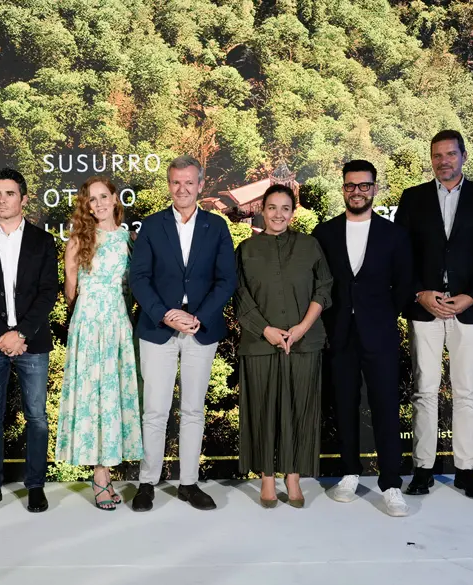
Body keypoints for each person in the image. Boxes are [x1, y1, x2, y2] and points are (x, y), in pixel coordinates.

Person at [394, 130, 473, 499]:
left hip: (467, 309)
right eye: (437, 155)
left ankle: (465, 470)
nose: (444, 161)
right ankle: (423, 469)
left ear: (464, 156)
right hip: (424, 308)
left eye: (450, 154)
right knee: (424, 389)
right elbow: (401, 255)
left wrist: (471, 297)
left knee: (467, 390)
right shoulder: (412, 197)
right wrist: (419, 293)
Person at [129, 155, 237, 511]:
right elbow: (139, 279)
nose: (182, 189)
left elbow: (227, 280)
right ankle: (147, 482)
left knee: (193, 410)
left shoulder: (216, 226)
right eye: (176, 182)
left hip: (200, 329)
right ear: (169, 184)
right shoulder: (151, 225)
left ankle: (189, 483)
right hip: (158, 328)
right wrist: (165, 315)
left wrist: (197, 318)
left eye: (189, 182)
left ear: (201, 184)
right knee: (154, 410)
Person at [313, 160, 413, 517]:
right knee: (344, 405)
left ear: (374, 189)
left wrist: (382, 316)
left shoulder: (394, 234)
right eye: (351, 185)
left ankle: (391, 483)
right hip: (339, 334)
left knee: (386, 406)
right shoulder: (324, 233)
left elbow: (405, 285)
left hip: (380, 333)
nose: (357, 192)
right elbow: (318, 285)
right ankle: (349, 473)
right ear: (343, 189)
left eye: (364, 185)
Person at [0, 168, 59, 514]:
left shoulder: (43, 241)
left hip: (32, 343)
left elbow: (48, 292)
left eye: (9, 194)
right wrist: (0, 334)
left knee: (37, 417)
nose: (1, 200)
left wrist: (21, 334)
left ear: (24, 199)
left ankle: (36, 486)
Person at [234, 184, 331, 508]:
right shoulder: (246, 249)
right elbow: (239, 296)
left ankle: (293, 476)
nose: (278, 214)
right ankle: (266, 477)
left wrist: (302, 328)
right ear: (262, 210)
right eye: (272, 207)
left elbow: (324, 288)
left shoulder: (310, 245)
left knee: (300, 409)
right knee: (262, 410)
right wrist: (266, 330)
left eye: (285, 208)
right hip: (259, 344)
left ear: (293, 211)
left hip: (305, 342)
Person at [56, 176, 143, 510]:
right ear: (87, 206)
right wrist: (87, 314)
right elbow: (70, 289)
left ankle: (105, 473)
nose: (99, 203)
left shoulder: (128, 239)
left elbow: (133, 285)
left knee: (113, 396)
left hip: (118, 323)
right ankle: (100, 476)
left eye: (104, 196)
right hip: (89, 324)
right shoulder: (79, 239)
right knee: (93, 397)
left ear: (115, 199)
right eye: (92, 199)